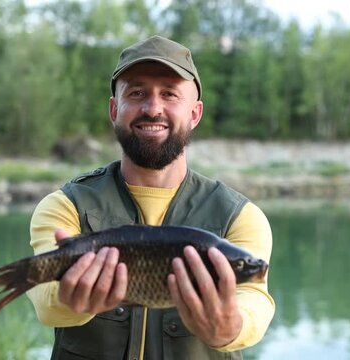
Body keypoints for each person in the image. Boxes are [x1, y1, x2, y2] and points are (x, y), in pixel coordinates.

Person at [26, 35, 274, 360]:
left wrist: (230, 328)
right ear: (115, 109)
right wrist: (70, 297)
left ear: (195, 113)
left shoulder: (241, 216)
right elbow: (45, 301)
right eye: (137, 93)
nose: (152, 108)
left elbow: (254, 300)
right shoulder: (65, 205)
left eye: (169, 94)